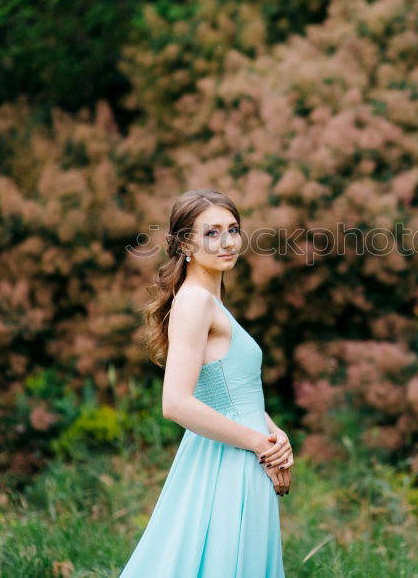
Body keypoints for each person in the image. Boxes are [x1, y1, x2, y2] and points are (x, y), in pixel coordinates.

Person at [119, 189, 291, 577]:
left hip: (246, 455)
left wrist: (275, 435)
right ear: (185, 244)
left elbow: (228, 390)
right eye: (211, 233)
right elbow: (175, 403)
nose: (228, 242)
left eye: (233, 230)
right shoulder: (195, 302)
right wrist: (261, 445)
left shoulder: (210, 301)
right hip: (228, 463)